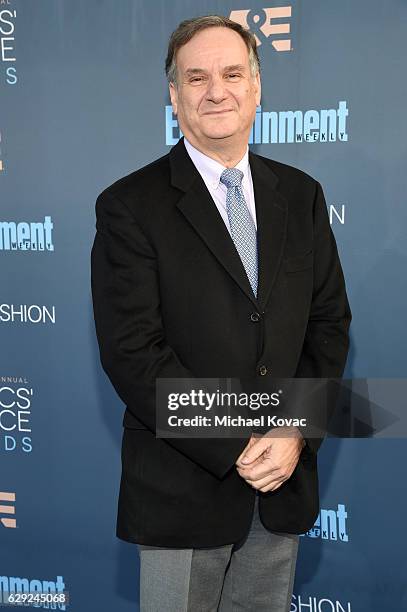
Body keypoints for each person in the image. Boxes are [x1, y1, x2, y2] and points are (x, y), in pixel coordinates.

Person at [91, 14, 351, 612]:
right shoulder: (130, 206)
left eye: (233, 73)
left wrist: (292, 431)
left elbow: (328, 325)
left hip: (280, 485)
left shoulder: (302, 195)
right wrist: (237, 440)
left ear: (256, 88)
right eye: (197, 77)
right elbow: (133, 352)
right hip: (182, 489)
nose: (217, 91)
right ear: (174, 95)